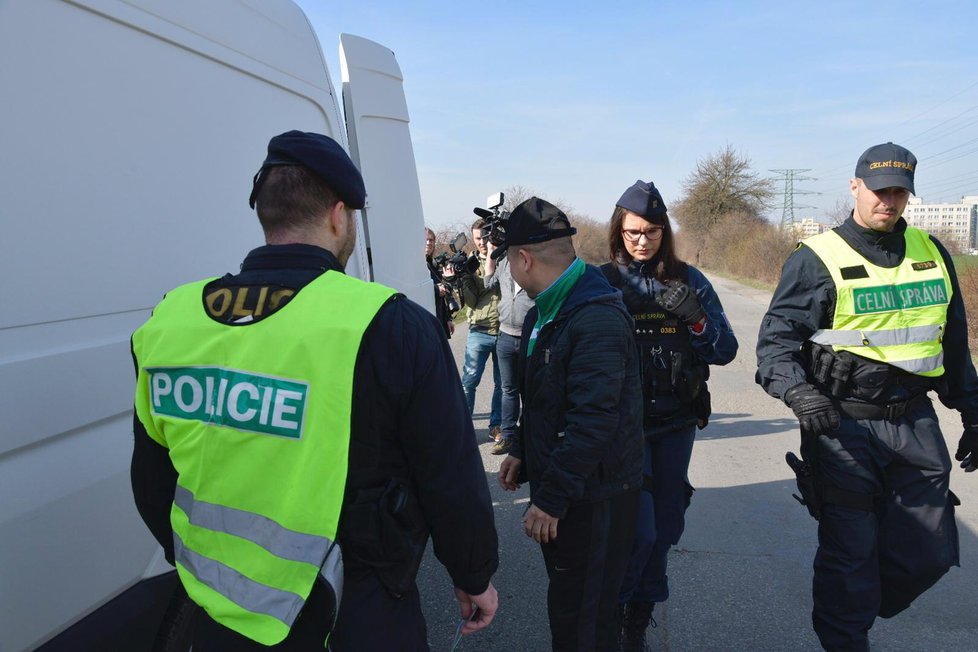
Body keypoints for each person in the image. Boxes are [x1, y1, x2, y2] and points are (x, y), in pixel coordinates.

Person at [130, 130, 499, 651]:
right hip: (349, 610)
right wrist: (473, 574)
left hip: (217, 611)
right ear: (337, 214)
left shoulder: (171, 319)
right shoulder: (389, 325)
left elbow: (150, 475)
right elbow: (450, 476)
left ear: (266, 213)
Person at [756, 142, 978, 652]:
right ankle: (845, 637)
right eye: (879, 191)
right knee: (851, 552)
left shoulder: (932, 251)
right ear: (854, 187)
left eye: (899, 192)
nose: (888, 201)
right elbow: (775, 344)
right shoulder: (817, 258)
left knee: (928, 551)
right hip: (843, 426)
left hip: (915, 424)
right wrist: (797, 391)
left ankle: (856, 604)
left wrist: (973, 410)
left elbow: (953, 341)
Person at [497, 197, 643, 651]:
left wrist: (551, 500)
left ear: (523, 259)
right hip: (573, 489)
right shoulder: (550, 305)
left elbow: (593, 420)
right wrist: (520, 444)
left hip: (593, 498)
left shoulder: (593, 314)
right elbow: (541, 393)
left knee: (583, 622)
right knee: (571, 609)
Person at [601, 180, 738, 651]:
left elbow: (725, 350)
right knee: (637, 531)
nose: (642, 241)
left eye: (653, 232)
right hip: (624, 429)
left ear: (665, 233)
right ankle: (614, 610)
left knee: (664, 530)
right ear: (618, 230)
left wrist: (696, 318)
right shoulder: (602, 281)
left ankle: (639, 616)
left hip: (675, 424)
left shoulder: (689, 279)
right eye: (634, 232)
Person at [483, 237, 534, 456]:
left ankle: (530, 436)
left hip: (529, 336)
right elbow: (488, 283)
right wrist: (490, 253)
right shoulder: (503, 263)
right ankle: (507, 436)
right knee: (508, 389)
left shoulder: (532, 264)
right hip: (505, 335)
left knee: (529, 389)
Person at [458, 218, 503, 441]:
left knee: (502, 383)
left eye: (485, 237)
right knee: (469, 382)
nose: (482, 243)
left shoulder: (505, 257)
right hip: (479, 330)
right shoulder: (469, 264)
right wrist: (465, 277)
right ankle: (464, 429)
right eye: (477, 239)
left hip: (504, 329)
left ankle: (497, 426)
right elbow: (472, 302)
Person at [425, 226, 456, 339]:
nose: (428, 243)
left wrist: (447, 319)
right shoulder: (415, 264)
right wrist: (436, 289)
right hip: (426, 321)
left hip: (438, 318)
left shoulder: (432, 264)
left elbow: (442, 296)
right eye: (425, 240)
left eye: (431, 240)